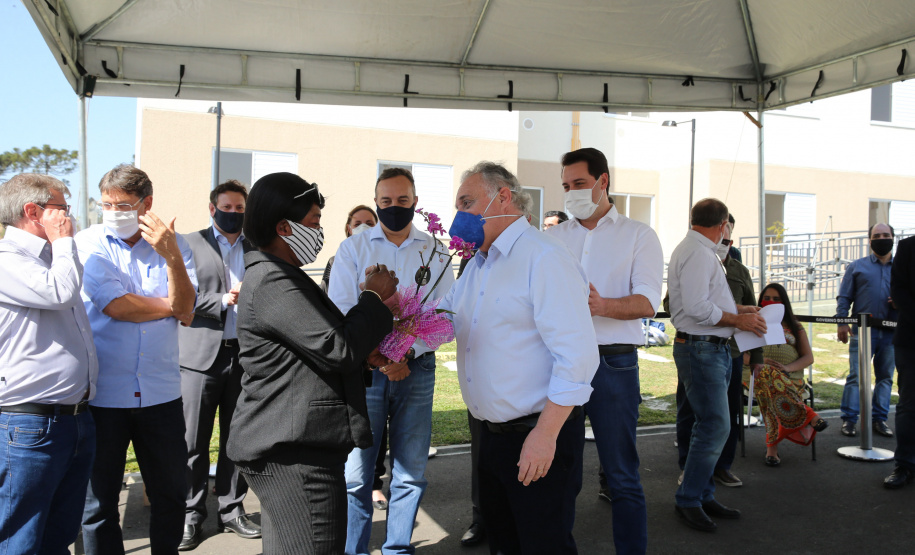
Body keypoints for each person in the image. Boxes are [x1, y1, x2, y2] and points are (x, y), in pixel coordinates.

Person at [226, 172, 398, 554]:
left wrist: (364, 358)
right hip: (296, 453)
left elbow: (311, 352)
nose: (319, 231)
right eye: (314, 221)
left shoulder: (281, 275)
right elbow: (337, 347)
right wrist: (373, 298)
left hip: (294, 446)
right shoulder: (272, 280)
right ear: (284, 227)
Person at [440, 161, 599, 554]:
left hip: (536, 436)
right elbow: (444, 320)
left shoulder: (544, 257)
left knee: (543, 545)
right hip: (491, 439)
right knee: (504, 545)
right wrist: (398, 329)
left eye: (466, 202)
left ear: (503, 196)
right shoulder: (477, 265)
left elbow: (577, 357)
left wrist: (544, 435)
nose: (460, 215)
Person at [329, 168, 454, 555]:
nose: (394, 207)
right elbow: (341, 310)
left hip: (416, 369)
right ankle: (354, 550)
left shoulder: (435, 251)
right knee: (355, 475)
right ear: (376, 201)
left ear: (415, 202)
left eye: (402, 200)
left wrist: (406, 352)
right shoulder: (353, 249)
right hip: (365, 371)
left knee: (410, 472)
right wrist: (380, 355)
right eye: (386, 201)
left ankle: (398, 548)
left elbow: (446, 315)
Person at [77, 164, 198, 554]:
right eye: (107, 205)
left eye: (123, 205)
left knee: (170, 495)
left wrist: (172, 257)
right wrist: (172, 306)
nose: (113, 212)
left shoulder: (175, 246)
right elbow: (117, 306)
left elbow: (188, 308)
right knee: (98, 506)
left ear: (147, 204)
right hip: (104, 396)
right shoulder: (88, 243)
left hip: (161, 394)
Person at [548, 147, 662, 554]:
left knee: (621, 474)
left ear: (603, 181)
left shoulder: (639, 235)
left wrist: (602, 306)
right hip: (562, 362)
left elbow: (648, 302)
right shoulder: (554, 238)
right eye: (566, 186)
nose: (572, 193)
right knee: (560, 474)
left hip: (614, 362)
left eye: (579, 183)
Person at [0, 174, 98, 554]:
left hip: (72, 419)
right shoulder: (7, 259)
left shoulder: (53, 259)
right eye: (62, 208)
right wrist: (63, 242)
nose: (68, 218)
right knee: (20, 540)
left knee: (59, 538)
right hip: (30, 424)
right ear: (33, 211)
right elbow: (60, 292)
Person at [668, 198, 766, 533]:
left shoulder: (699, 250)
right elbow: (697, 308)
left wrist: (741, 311)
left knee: (709, 425)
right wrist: (739, 319)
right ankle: (689, 498)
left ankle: (701, 493)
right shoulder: (698, 252)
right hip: (702, 348)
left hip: (710, 348)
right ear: (723, 224)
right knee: (715, 426)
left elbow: (705, 301)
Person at [177, 179, 260, 551]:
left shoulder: (255, 246)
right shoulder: (189, 244)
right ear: (212, 209)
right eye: (227, 208)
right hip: (199, 358)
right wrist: (225, 299)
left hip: (244, 356)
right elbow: (181, 297)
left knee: (236, 439)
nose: (233, 214)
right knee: (192, 441)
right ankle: (190, 516)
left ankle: (232, 510)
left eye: (240, 209)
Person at [750, 283, 829, 466]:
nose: (771, 302)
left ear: (784, 302)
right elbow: (743, 355)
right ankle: (809, 416)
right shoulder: (753, 322)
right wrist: (760, 361)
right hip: (757, 375)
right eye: (766, 298)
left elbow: (808, 357)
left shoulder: (794, 325)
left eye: (776, 299)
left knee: (772, 389)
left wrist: (787, 368)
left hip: (790, 378)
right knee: (767, 376)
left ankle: (772, 448)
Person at [835, 223, 897, 438]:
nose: (881, 239)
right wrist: (842, 322)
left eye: (886, 235)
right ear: (870, 240)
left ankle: (880, 419)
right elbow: (844, 297)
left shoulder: (902, 269)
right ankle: (849, 420)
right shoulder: (857, 267)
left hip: (891, 333)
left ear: (893, 238)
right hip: (862, 332)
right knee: (856, 376)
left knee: (885, 377)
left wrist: (901, 302)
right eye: (877, 236)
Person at [885, 234, 915, 489]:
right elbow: (899, 290)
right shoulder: (907, 247)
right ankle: (905, 464)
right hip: (911, 339)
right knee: (908, 404)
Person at [321, 205, 377, 292]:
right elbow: (328, 294)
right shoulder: (335, 262)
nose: (363, 228)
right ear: (349, 229)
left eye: (369, 224)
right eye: (357, 224)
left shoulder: (386, 257)